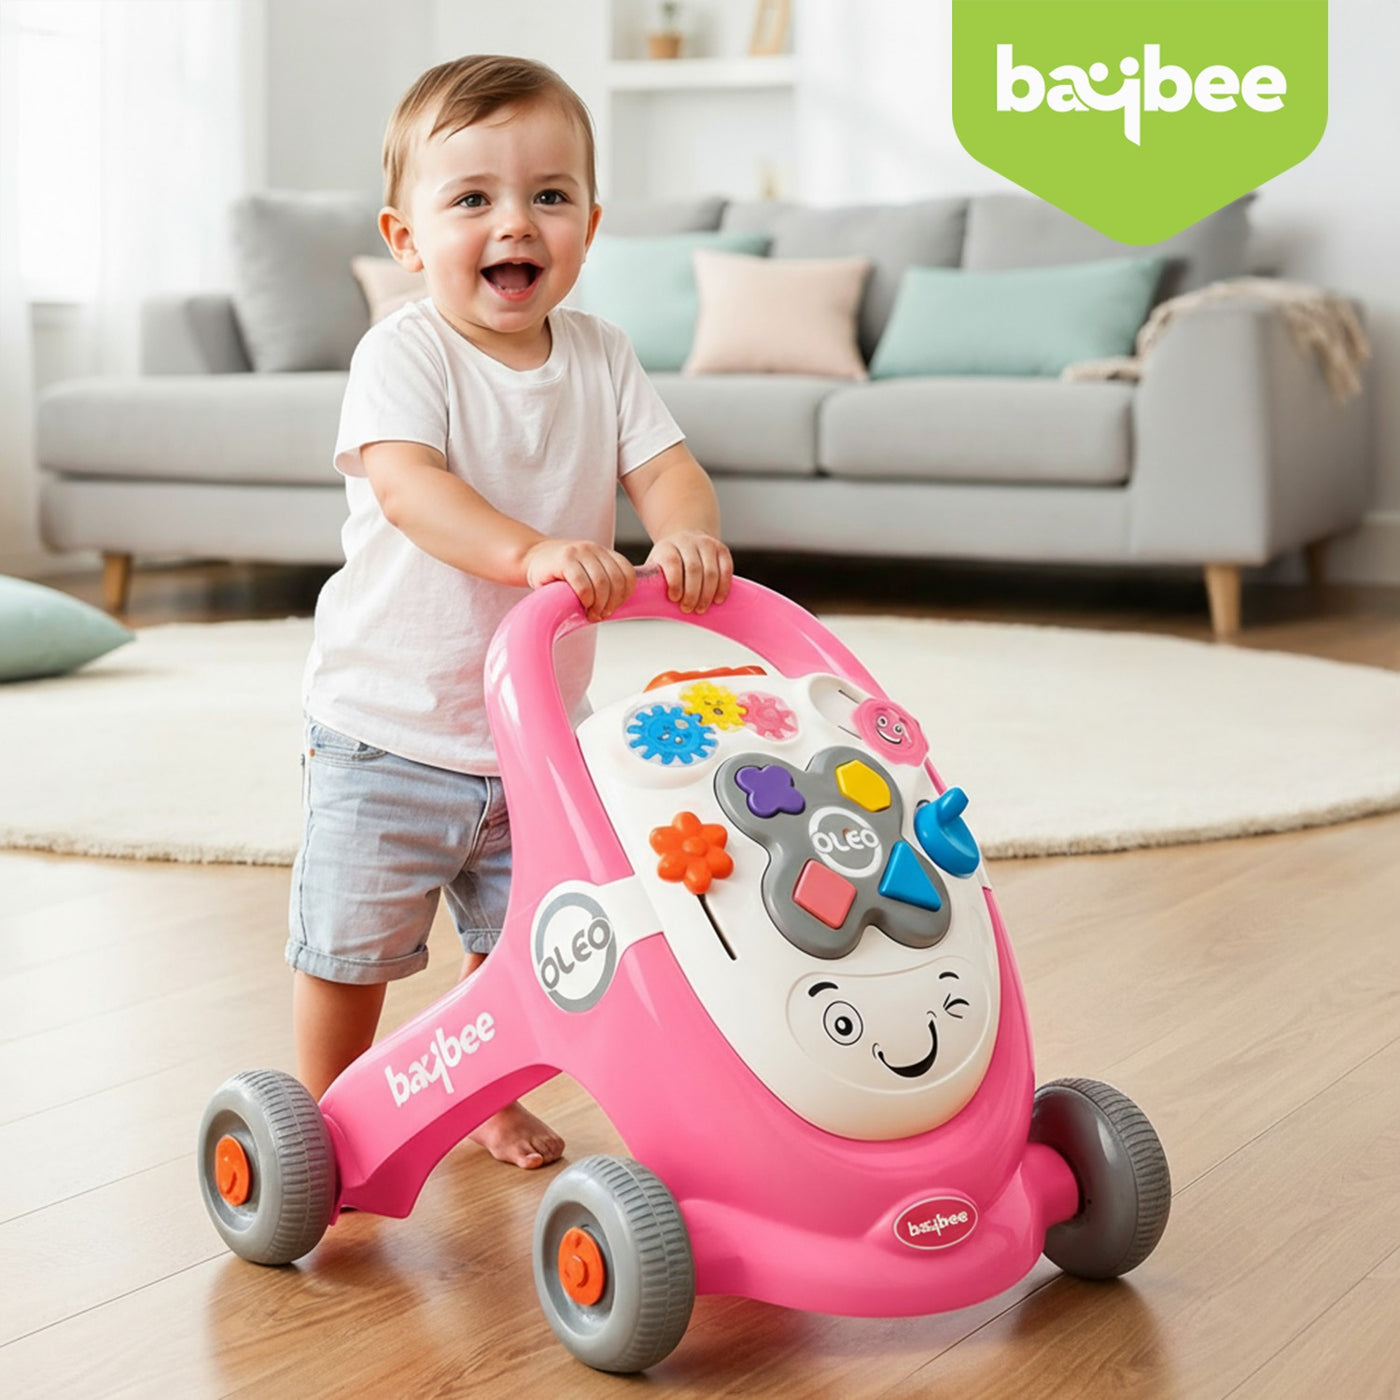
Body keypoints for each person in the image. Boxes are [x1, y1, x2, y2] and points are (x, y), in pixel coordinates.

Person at [286, 54, 732, 1169]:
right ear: (406, 237)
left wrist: (683, 531)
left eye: (548, 195)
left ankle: (481, 1094)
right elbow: (410, 489)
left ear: (590, 225)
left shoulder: (603, 355)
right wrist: (529, 551)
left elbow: (668, 469)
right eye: (473, 198)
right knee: (353, 946)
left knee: (527, 946)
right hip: (388, 727)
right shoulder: (405, 352)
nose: (515, 222)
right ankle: (322, 1118)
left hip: (531, 734)